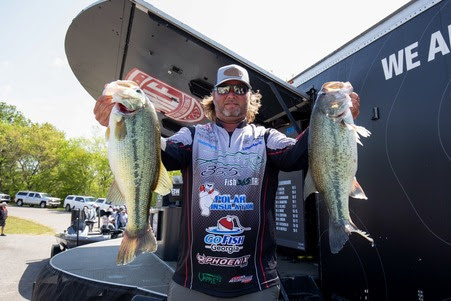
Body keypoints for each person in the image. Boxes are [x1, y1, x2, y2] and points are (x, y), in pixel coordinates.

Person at [94, 64, 360, 300]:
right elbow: (161, 153)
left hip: (257, 282)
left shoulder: (266, 137)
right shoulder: (192, 135)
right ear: (214, 97)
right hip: (193, 282)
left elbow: (296, 156)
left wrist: (330, 121)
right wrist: (124, 123)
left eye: (239, 89)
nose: (231, 93)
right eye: (224, 88)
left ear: (249, 98)